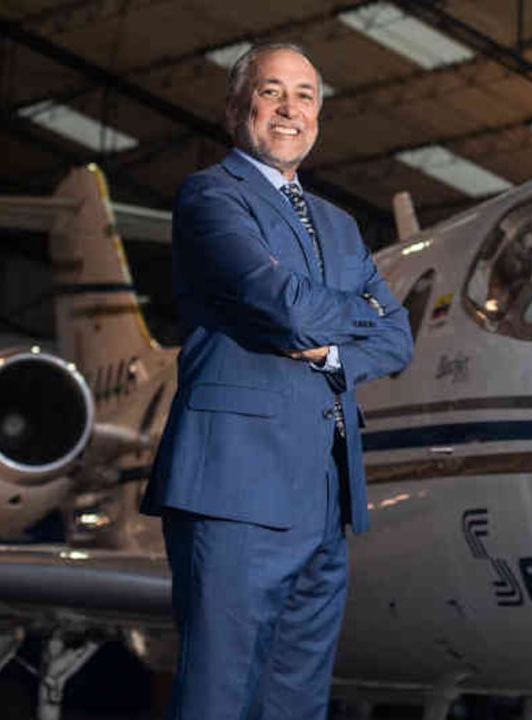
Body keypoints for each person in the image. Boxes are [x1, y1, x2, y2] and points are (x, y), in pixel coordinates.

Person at [142, 42, 413, 719]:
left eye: (306, 94)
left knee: (297, 702)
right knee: (218, 697)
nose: (291, 108)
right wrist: (357, 315)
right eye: (272, 91)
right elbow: (284, 306)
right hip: (236, 488)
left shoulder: (342, 226)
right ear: (239, 108)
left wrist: (331, 355)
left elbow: (399, 336)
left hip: (326, 494)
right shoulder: (210, 197)